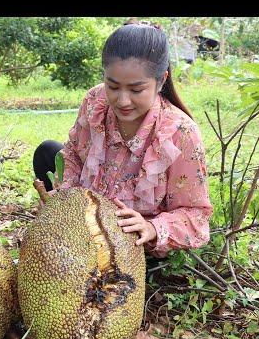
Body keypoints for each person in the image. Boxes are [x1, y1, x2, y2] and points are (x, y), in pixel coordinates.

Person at [33, 21, 212, 259]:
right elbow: (75, 154)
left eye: (136, 90)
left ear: (161, 81)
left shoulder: (181, 133)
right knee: (47, 152)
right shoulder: (95, 101)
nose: (123, 101)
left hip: (132, 244)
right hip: (84, 222)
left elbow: (196, 217)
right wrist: (63, 200)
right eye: (113, 86)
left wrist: (151, 228)